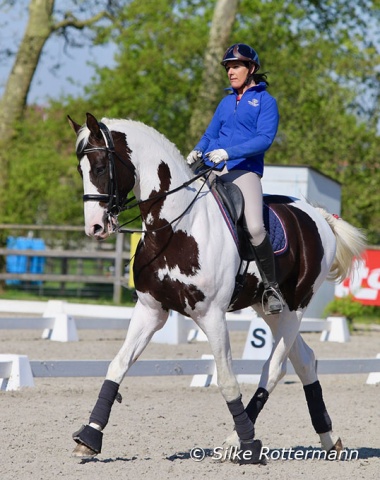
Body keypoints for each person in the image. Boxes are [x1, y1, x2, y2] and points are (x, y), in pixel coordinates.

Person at [187, 43, 284, 314]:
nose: (230, 72)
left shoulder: (266, 102)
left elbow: (263, 140)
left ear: (251, 68)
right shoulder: (226, 101)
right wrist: (198, 149)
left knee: (254, 227)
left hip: (243, 171)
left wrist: (228, 152)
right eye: (228, 67)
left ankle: (271, 287)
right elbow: (210, 135)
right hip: (212, 168)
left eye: (236, 66)